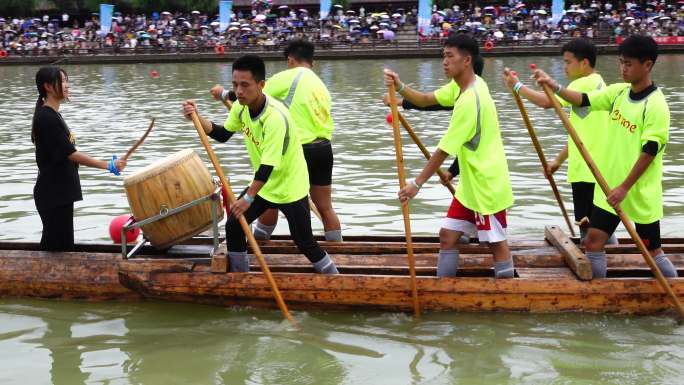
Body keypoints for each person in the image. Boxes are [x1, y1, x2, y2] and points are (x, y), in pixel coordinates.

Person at [534, 35, 677, 278]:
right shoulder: (618, 93)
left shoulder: (656, 105)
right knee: (593, 242)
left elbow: (649, 152)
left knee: (651, 250)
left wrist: (625, 187)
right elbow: (584, 99)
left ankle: (675, 287)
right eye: (621, 62)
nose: (623, 69)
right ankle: (599, 295)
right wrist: (555, 86)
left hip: (638, 191)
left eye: (629, 64)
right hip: (609, 189)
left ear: (648, 65)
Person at [182, 55, 338, 274]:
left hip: (289, 186)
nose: (239, 91)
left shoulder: (275, 117)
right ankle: (240, 276)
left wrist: (247, 198)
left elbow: (268, 165)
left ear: (261, 85)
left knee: (303, 241)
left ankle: (334, 275)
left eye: (245, 85)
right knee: (235, 225)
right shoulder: (240, 106)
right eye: (235, 85)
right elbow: (223, 134)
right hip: (265, 185)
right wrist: (197, 118)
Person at [384, 34, 515, 279]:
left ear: (467, 61)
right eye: (443, 56)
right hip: (470, 187)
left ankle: (510, 296)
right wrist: (400, 87)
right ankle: (442, 289)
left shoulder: (470, 100)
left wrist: (416, 184)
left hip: (486, 187)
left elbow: (443, 150)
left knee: (496, 244)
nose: (444, 61)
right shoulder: (462, 86)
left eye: (450, 56)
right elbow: (424, 100)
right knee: (448, 236)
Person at [211, 39, 342, 242]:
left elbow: (253, 91)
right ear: (312, 62)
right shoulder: (320, 84)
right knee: (325, 207)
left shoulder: (291, 75)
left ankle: (260, 244)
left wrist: (223, 94)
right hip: (324, 149)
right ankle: (338, 250)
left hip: (299, 150)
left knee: (267, 198)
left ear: (290, 60)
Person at [502, 38, 616, 244]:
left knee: (589, 233)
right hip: (600, 168)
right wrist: (558, 161)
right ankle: (611, 266)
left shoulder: (583, 83)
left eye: (568, 62)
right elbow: (579, 136)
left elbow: (547, 102)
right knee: (601, 229)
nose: (565, 67)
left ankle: (597, 273)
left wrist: (516, 86)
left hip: (586, 172)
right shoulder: (600, 83)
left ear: (584, 63)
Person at [32, 67, 126, 251]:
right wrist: (108, 165)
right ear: (48, 87)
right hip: (53, 193)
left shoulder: (54, 115)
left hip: (60, 192)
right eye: (63, 81)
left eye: (67, 80)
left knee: (62, 246)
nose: (67, 85)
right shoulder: (46, 117)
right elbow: (71, 154)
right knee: (56, 249)